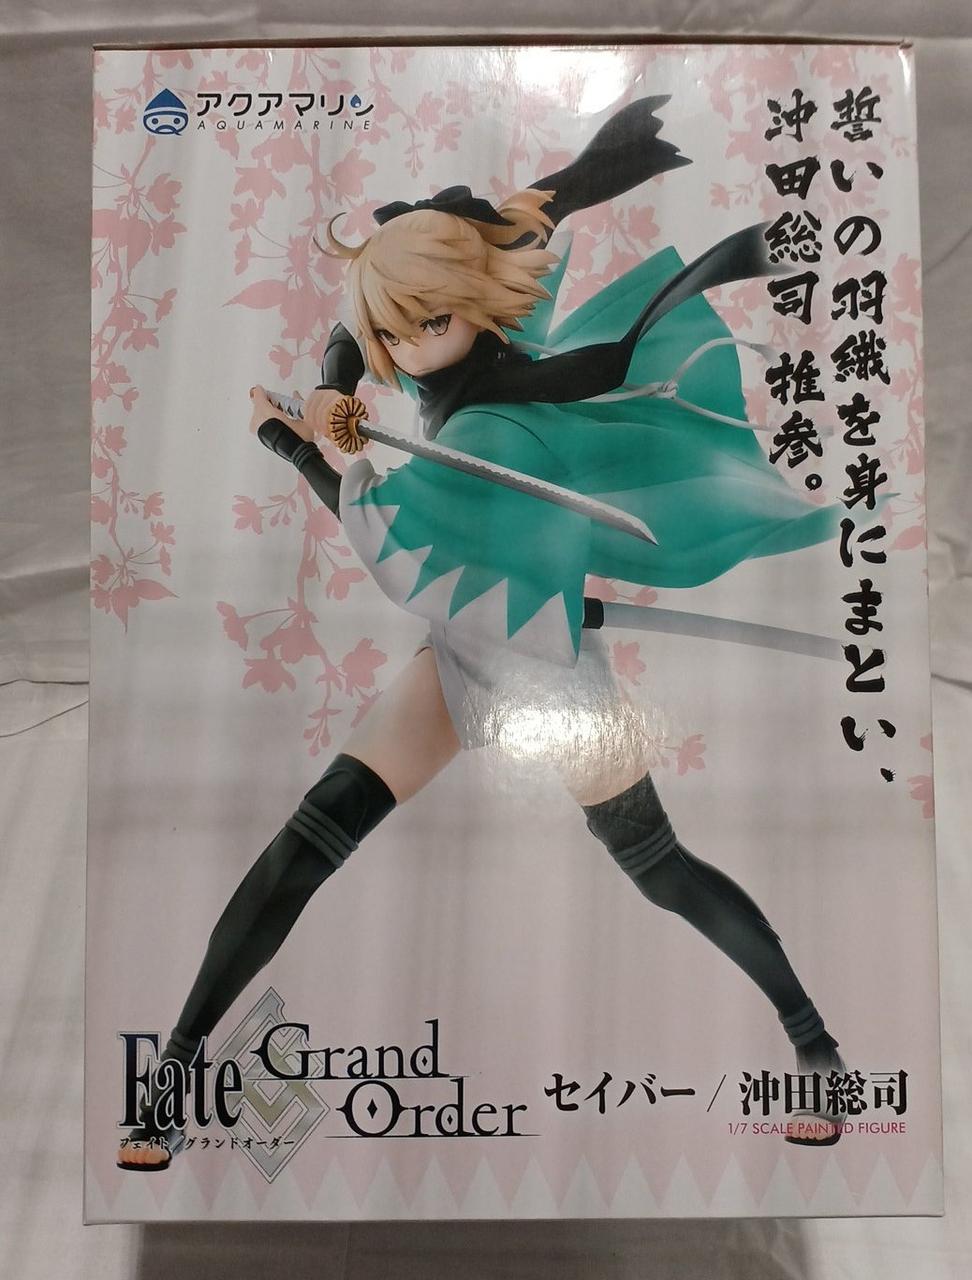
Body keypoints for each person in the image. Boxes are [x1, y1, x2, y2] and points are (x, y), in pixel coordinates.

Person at [117, 98, 845, 1170]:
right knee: (308, 843)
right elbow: (384, 306)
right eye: (394, 330)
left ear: (473, 303)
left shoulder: (503, 409)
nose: (406, 348)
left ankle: (817, 1047)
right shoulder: (438, 309)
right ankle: (174, 1074)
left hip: (544, 658)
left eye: (427, 323)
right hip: (463, 653)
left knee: (659, 870)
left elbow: (403, 533)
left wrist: (302, 450)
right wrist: (331, 387)